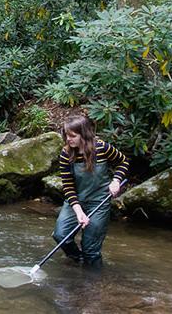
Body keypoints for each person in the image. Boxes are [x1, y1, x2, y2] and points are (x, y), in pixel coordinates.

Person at [51, 115, 130, 269]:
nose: (68, 139)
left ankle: (94, 285)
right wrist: (79, 211)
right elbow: (68, 186)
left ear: (84, 134)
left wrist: (116, 180)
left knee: (91, 249)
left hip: (99, 202)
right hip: (75, 200)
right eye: (66, 135)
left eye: (73, 136)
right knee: (61, 235)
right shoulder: (66, 154)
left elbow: (123, 161)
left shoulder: (102, 148)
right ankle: (77, 260)